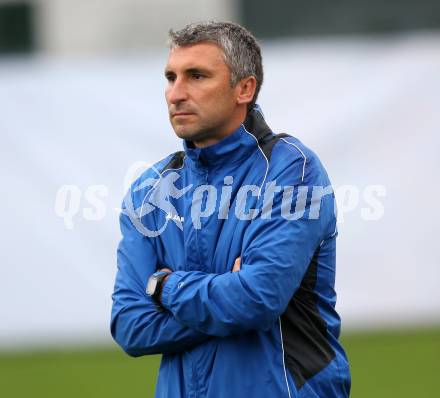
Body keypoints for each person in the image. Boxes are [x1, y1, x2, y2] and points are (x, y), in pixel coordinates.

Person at [111, 21, 351, 398]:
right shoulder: (149, 190)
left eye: (196, 76)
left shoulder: (292, 169)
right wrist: (227, 294)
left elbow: (256, 300)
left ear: (244, 88)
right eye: (171, 77)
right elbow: (130, 325)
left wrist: (165, 285)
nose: (176, 94)